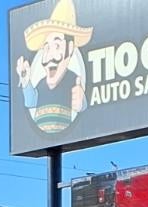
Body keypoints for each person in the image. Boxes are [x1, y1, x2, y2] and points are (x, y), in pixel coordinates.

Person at [16, 0, 92, 136]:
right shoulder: (40, 84)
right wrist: (26, 82)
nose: (49, 56)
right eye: (46, 48)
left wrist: (82, 104)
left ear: (70, 48)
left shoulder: (73, 80)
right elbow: (30, 102)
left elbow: (81, 105)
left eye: (57, 46)